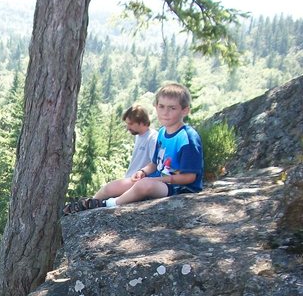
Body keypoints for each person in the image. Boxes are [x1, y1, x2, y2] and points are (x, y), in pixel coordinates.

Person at [64, 82, 203, 212]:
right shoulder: (162, 132)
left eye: (172, 108)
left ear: (185, 111)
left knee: (144, 185)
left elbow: (189, 177)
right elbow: (155, 163)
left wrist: (158, 179)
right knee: (114, 185)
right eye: (161, 106)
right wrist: (143, 172)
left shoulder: (187, 138)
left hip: (180, 188)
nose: (165, 112)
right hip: (162, 183)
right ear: (156, 106)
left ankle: (108, 204)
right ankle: (88, 204)